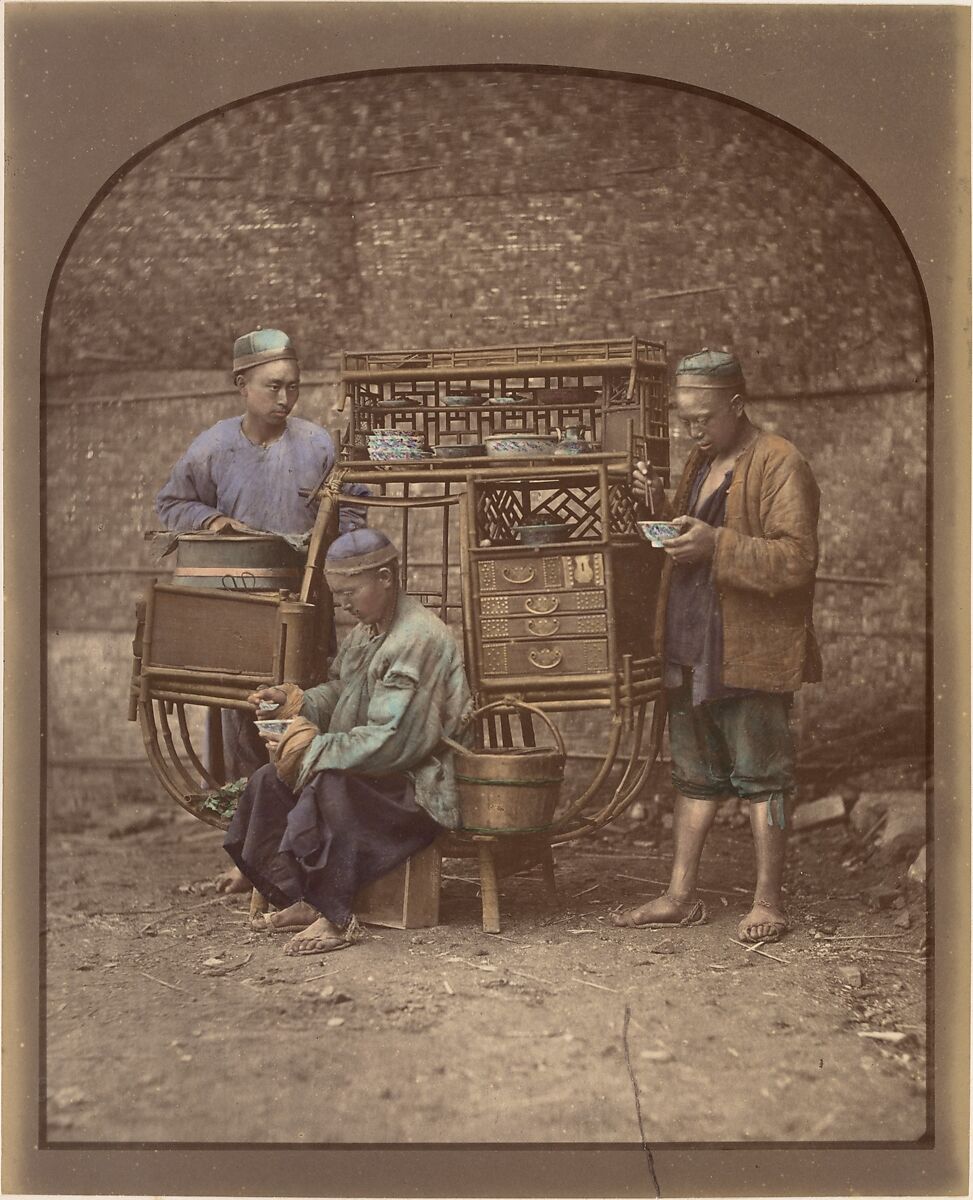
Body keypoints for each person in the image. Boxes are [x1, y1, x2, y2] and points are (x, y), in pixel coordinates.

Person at [614, 348, 821, 943]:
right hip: (691, 642)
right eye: (683, 418)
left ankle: (768, 903)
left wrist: (716, 545)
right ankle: (679, 896)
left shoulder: (780, 462)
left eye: (701, 418)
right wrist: (661, 508)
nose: (690, 430)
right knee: (694, 775)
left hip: (749, 648)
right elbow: (694, 536)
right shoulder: (702, 462)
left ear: (736, 405)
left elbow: (797, 561)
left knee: (763, 776)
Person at [221, 529, 473, 956]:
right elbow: (341, 690)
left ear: (386, 577)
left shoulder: (418, 638)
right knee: (269, 780)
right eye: (338, 595)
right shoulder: (369, 630)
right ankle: (303, 896)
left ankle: (335, 918)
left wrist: (312, 750)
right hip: (380, 773)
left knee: (330, 785)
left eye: (350, 592)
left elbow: (393, 741)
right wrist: (294, 701)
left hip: (419, 784)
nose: (343, 605)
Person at [155, 328, 368, 785]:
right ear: (242, 385)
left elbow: (352, 507)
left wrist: (338, 558)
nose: (285, 397)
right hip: (240, 606)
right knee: (244, 713)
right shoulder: (213, 446)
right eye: (273, 386)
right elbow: (172, 504)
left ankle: (305, 821)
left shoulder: (317, 444)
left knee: (302, 708)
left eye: (294, 385)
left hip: (306, 601)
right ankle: (251, 826)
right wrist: (213, 521)